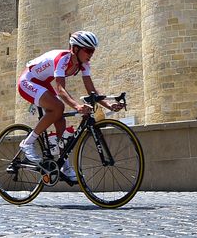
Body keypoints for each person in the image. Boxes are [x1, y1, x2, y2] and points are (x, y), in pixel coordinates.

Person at [16, 30, 123, 184]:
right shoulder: (63, 59)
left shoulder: (83, 64)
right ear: (76, 49)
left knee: (61, 121)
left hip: (42, 83)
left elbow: (90, 88)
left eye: (93, 50)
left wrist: (108, 105)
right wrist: (77, 106)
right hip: (28, 81)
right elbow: (60, 89)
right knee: (58, 107)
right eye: (88, 50)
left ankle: (63, 163)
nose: (91, 54)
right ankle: (27, 143)